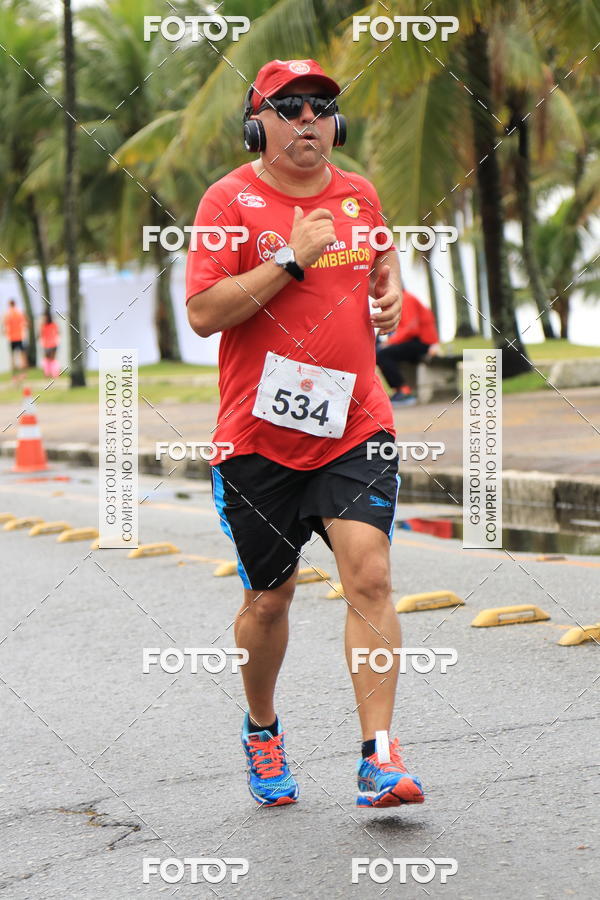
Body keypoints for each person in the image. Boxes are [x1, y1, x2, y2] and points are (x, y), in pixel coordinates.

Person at [186, 59, 425, 809]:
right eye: (290, 107)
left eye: (321, 107)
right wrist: (290, 259)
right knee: (271, 599)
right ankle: (262, 729)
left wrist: (389, 294)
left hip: (354, 424)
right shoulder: (229, 200)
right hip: (257, 437)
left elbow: (380, 263)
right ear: (259, 123)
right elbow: (203, 313)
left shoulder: (358, 194)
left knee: (371, 576)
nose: (309, 119)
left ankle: (378, 758)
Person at [376, 289, 441, 405]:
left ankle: (403, 391)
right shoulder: (403, 298)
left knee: (382, 354)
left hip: (423, 343)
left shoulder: (405, 299)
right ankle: (400, 391)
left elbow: (411, 328)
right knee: (382, 352)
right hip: (417, 342)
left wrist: (389, 342)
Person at [2, 299, 28, 383]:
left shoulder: (7, 314)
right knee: (22, 355)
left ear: (10, 304)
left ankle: (14, 375)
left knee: (13, 357)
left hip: (11, 338)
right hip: (19, 337)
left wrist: (5, 333)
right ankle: (23, 373)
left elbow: (4, 326)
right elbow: (25, 323)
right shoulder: (19, 313)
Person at [39, 309, 60, 377]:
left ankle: (54, 373)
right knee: (48, 359)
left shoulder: (52, 325)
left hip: (52, 344)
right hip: (47, 344)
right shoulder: (44, 325)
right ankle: (48, 373)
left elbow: (57, 333)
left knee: (52, 359)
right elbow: (41, 335)